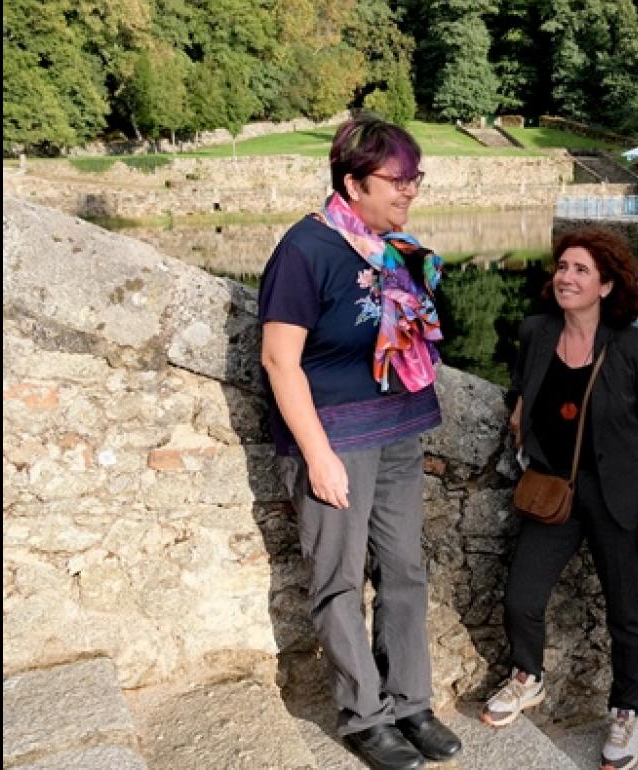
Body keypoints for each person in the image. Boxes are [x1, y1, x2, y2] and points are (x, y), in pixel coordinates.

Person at [258, 113, 461, 770]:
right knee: (339, 581)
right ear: (352, 183)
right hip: (336, 439)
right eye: (396, 180)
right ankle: (364, 717)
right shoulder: (304, 251)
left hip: (398, 430)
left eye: (414, 178)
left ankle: (410, 703)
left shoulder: (393, 247)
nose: (410, 190)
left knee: (404, 570)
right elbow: (279, 361)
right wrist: (317, 455)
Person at [483, 228, 638, 770]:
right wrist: (518, 404)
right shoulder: (537, 331)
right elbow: (521, 384)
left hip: (619, 497)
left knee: (626, 614)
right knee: (521, 597)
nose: (566, 277)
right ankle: (527, 676)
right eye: (563, 267)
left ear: (606, 286)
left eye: (581, 270)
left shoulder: (635, 346)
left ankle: (627, 712)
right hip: (554, 490)